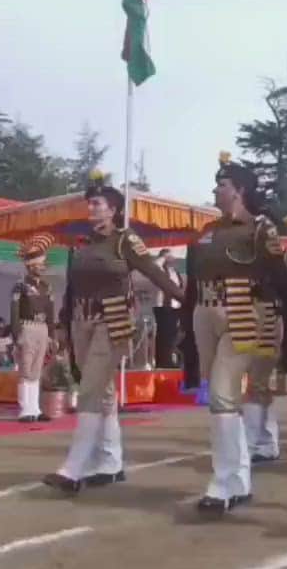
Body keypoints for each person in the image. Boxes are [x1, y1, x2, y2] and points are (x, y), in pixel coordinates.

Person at [43, 172, 184, 494]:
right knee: (101, 390)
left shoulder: (125, 240)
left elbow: (156, 274)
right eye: (89, 203)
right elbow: (72, 287)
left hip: (114, 319)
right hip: (81, 319)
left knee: (91, 388)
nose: (91, 208)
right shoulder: (83, 244)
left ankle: (73, 469)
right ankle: (110, 463)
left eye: (97, 203)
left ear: (114, 210)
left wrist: (186, 303)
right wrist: (63, 324)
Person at [182, 152, 287, 517]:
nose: (215, 190)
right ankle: (236, 478)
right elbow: (191, 286)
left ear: (239, 190)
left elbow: (283, 284)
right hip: (204, 311)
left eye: (222, 184)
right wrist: (185, 330)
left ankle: (226, 480)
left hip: (245, 313)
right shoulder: (207, 232)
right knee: (216, 398)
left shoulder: (262, 230)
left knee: (222, 393)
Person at [11, 233, 58, 423]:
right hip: (27, 327)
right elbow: (14, 311)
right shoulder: (20, 286)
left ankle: (36, 408)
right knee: (26, 369)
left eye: (43, 264)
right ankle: (25, 409)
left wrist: (52, 335)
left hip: (42, 329)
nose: (42, 267)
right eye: (39, 264)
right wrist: (17, 335)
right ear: (30, 266)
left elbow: (51, 312)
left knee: (37, 369)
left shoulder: (47, 287)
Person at [152, 249, 184, 367]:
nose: (172, 258)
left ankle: (170, 359)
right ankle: (163, 362)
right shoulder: (160, 270)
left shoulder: (174, 271)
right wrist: (163, 257)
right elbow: (155, 266)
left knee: (173, 336)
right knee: (164, 336)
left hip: (175, 307)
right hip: (163, 307)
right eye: (169, 255)